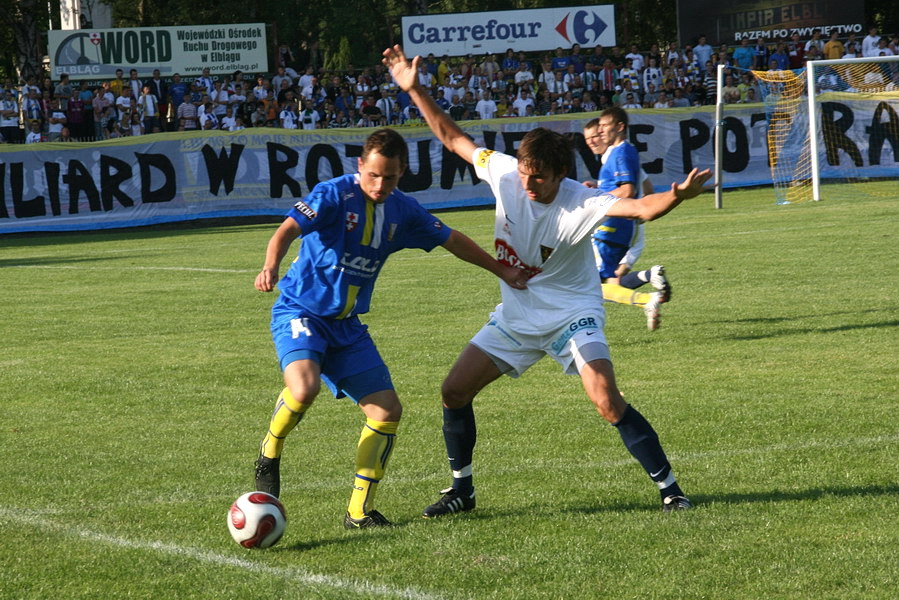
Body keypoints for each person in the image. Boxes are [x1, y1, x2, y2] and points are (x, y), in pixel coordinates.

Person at [383, 44, 711, 517]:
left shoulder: (580, 201)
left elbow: (640, 208)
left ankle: (671, 490)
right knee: (453, 390)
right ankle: (462, 491)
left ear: (561, 174)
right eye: (524, 172)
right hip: (517, 316)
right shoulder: (506, 174)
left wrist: (677, 196)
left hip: (572, 315)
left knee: (605, 400)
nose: (528, 183)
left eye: (538, 178)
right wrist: (415, 90)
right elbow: (451, 136)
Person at [252, 127, 526, 528]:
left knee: (386, 410)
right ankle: (270, 450)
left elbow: (451, 240)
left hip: (347, 326)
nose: (380, 185)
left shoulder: (403, 210)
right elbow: (288, 228)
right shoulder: (333, 194)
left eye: (391, 177)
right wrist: (271, 264)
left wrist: (501, 269)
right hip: (300, 311)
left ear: (402, 174)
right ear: (360, 166)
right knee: (304, 389)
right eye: (373, 175)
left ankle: (358, 512)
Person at [582, 115, 671, 330]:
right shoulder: (614, 156)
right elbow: (643, 188)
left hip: (614, 226)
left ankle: (647, 299)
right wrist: (598, 190)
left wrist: (594, 199)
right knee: (609, 281)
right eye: (589, 138)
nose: (596, 138)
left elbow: (629, 190)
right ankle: (649, 284)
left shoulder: (621, 153)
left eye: (600, 130)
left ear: (619, 128)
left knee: (591, 286)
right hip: (622, 224)